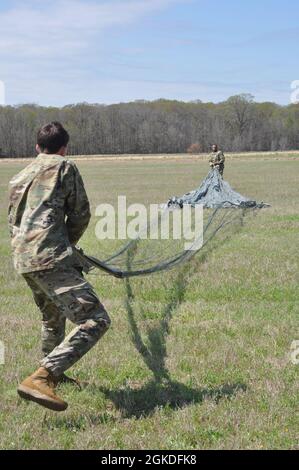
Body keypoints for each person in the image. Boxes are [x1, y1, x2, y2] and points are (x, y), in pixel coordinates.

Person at [8, 122, 111, 412]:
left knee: (52, 317)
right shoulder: (65, 166)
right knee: (96, 319)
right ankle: (44, 376)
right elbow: (80, 213)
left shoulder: (18, 177)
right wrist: (66, 244)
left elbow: (13, 221)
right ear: (64, 147)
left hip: (23, 259)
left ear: (37, 147)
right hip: (50, 256)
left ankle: (57, 377)